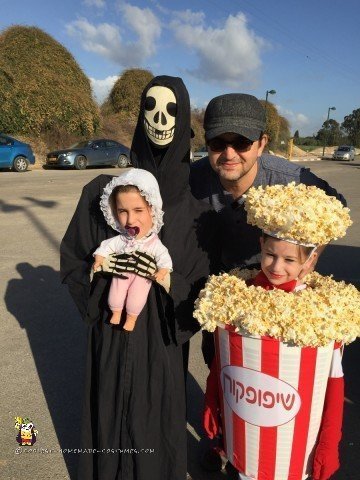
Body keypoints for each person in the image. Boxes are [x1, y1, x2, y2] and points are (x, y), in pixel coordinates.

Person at [60, 75, 214, 480]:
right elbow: (75, 257)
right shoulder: (103, 193)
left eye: (171, 110)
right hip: (110, 339)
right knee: (109, 417)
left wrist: (168, 283)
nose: (160, 119)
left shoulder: (193, 210)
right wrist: (99, 273)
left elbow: (202, 287)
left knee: (152, 424)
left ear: (184, 121)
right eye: (150, 107)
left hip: (161, 348)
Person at [189, 93, 346, 471]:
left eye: (241, 142)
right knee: (221, 365)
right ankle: (225, 443)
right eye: (217, 143)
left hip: (281, 288)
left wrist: (311, 256)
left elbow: (336, 204)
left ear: (261, 143)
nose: (229, 154)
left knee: (278, 384)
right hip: (228, 293)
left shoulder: (290, 179)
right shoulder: (194, 177)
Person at [200, 182, 352, 480]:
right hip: (246, 440)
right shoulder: (241, 294)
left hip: (294, 454)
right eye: (270, 254)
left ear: (310, 261)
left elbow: (334, 384)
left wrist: (328, 443)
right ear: (261, 247)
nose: (277, 266)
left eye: (290, 259)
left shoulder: (320, 312)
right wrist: (212, 398)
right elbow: (224, 359)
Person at [92, 169, 172, 330]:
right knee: (115, 292)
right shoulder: (122, 239)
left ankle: (131, 318)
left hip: (142, 277)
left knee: (137, 296)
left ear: (152, 209)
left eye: (138, 210)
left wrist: (162, 270)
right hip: (121, 274)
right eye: (122, 211)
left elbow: (163, 256)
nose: (130, 220)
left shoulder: (153, 243)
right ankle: (115, 312)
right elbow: (107, 246)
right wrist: (99, 257)